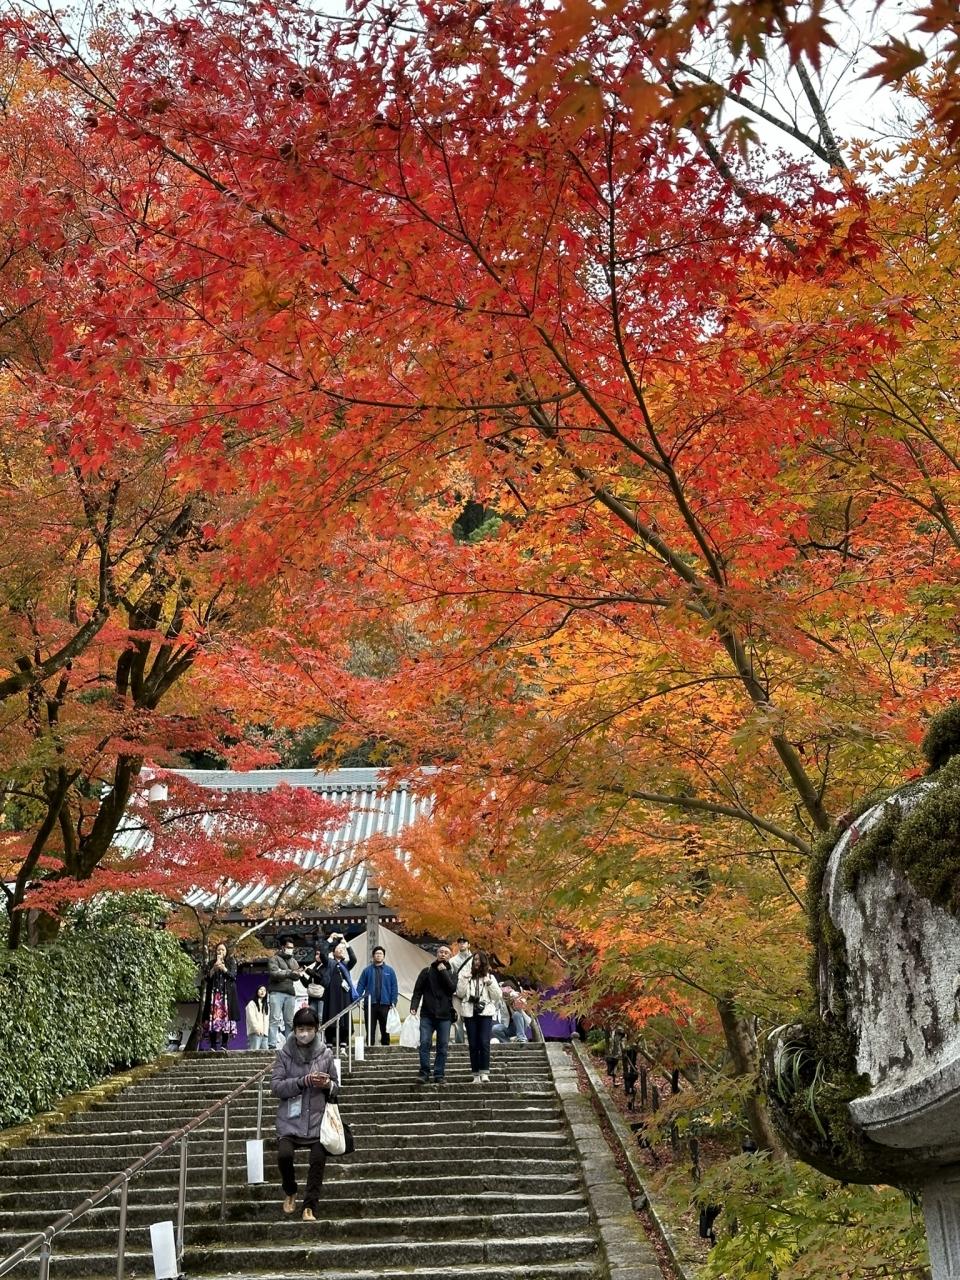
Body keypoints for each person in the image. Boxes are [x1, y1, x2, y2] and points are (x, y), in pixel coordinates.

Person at [271, 1006, 339, 1222]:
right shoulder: (284, 1054)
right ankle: (290, 1190)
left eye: (309, 1029)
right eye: (300, 1029)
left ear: (316, 1029)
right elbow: (276, 1087)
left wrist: (328, 1084)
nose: (304, 1033)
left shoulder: (326, 1054)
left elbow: (337, 1086)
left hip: (318, 1121)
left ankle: (309, 1206)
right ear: (294, 1030)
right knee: (284, 1156)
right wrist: (302, 1081)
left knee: (318, 1161)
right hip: (290, 1121)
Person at [410, 942, 457, 1085]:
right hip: (427, 1014)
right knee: (424, 1043)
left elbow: (452, 989)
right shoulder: (427, 971)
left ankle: (439, 1074)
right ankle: (424, 1072)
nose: (443, 954)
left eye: (446, 953)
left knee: (442, 1046)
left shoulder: (452, 973)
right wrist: (414, 1006)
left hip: (445, 1016)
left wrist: (443, 972)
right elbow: (417, 991)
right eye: (441, 952)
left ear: (449, 956)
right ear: (436, 954)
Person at [456, 949, 502, 1084]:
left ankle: (484, 1072)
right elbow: (460, 993)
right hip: (470, 1012)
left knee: (484, 1042)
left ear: (483, 962)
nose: (476, 962)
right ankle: (475, 1074)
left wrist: (489, 983)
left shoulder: (490, 977)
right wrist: (464, 979)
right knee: (473, 1044)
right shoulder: (466, 976)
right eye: (474, 960)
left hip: (485, 1012)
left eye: (478, 960)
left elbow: (497, 996)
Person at [268, 937, 307, 1050]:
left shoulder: (293, 961)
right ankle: (272, 1044)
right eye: (289, 947)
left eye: (292, 948)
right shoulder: (274, 959)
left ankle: (290, 1045)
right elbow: (274, 974)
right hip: (276, 992)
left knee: (289, 1021)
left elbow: (296, 976)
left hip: (290, 993)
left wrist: (291, 972)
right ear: (283, 947)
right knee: (274, 1019)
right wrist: (290, 972)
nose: (291, 949)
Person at [320, 935, 358, 1051]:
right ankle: (329, 1043)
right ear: (333, 952)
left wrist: (346, 944)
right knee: (330, 1016)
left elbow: (354, 959)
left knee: (345, 1019)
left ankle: (343, 1044)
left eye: (343, 949)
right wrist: (330, 939)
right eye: (339, 949)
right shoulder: (329, 963)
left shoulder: (345, 965)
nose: (341, 950)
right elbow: (322, 954)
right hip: (331, 995)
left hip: (344, 995)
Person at [356, 945, 399, 1046]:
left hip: (385, 1004)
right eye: (377, 953)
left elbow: (394, 987)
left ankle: (386, 1049)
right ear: (373, 956)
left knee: (385, 1029)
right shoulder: (367, 970)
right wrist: (357, 999)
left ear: (384, 956)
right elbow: (361, 985)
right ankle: (369, 1048)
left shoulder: (390, 971)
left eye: (381, 954)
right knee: (370, 1029)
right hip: (370, 1005)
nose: (378, 955)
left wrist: (393, 1001)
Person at [202, 942, 239, 1052]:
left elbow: (233, 976)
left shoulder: (231, 962)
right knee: (213, 1019)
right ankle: (213, 1044)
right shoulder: (211, 963)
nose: (220, 952)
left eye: (223, 950)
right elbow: (206, 978)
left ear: (226, 952)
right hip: (214, 996)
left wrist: (224, 968)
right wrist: (214, 968)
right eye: (218, 950)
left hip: (226, 996)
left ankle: (224, 1044)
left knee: (226, 1019)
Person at [451, 937, 472, 1045]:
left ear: (469, 944)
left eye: (464, 942)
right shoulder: (452, 961)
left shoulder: (474, 959)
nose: (462, 944)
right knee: (458, 1017)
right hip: (457, 993)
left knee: (471, 1016)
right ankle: (459, 1043)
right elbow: (450, 976)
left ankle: (473, 1041)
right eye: (460, 942)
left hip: (472, 993)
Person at [301, 948, 328, 1020]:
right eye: (316, 954)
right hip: (313, 998)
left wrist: (307, 970)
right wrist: (301, 976)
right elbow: (307, 984)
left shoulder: (326, 967)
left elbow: (319, 977)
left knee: (321, 1017)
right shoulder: (315, 967)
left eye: (319, 954)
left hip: (322, 997)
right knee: (312, 1017)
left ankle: (322, 1028)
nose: (317, 956)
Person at [246, 984, 270, 1050]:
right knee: (254, 1053)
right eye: (260, 989)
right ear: (257, 991)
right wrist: (257, 1029)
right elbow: (251, 1018)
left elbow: (267, 1020)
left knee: (265, 1054)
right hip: (255, 1033)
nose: (262, 991)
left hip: (264, 1034)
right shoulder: (252, 1003)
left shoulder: (266, 1005)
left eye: (264, 990)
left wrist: (266, 1032)